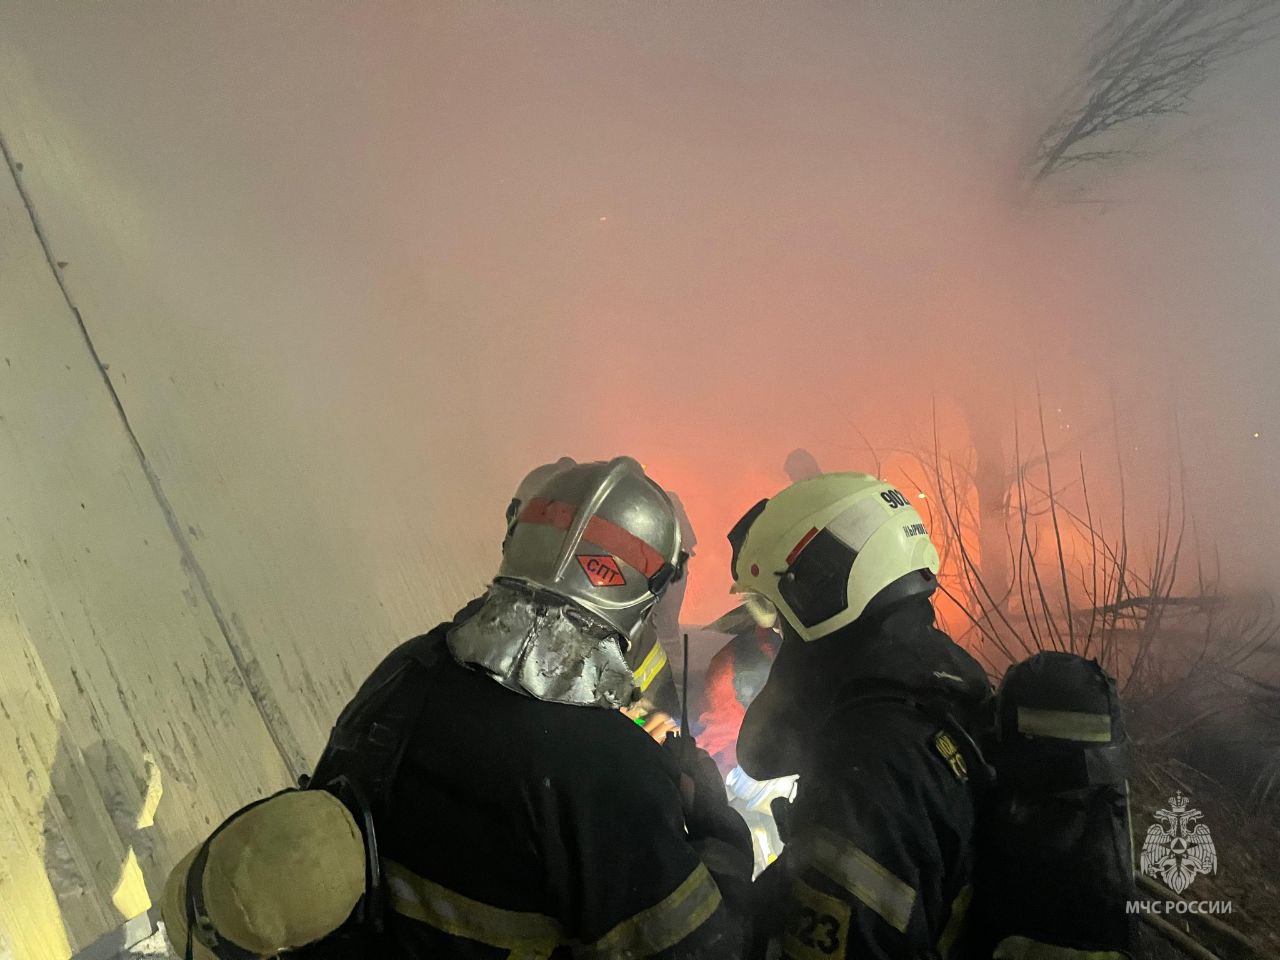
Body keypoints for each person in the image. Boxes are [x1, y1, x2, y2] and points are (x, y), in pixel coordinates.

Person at [313, 456, 752, 957]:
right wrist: (719, 831)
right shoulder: (614, 774)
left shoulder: (412, 669)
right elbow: (706, 949)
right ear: (643, 592)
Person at [728, 472, 991, 958]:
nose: (774, 630)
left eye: (772, 608)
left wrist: (716, 848)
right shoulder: (944, 676)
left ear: (821, 589)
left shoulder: (867, 760)